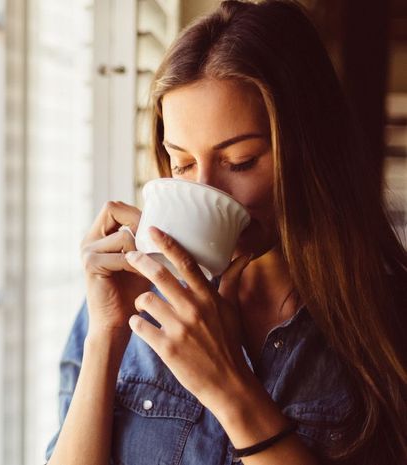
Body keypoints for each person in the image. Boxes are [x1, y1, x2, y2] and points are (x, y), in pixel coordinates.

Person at [43, 1, 407, 464]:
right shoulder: (128, 303)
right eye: (183, 162)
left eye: (241, 162)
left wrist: (229, 389)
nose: (206, 191)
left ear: (311, 152)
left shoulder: (387, 322)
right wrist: (105, 336)